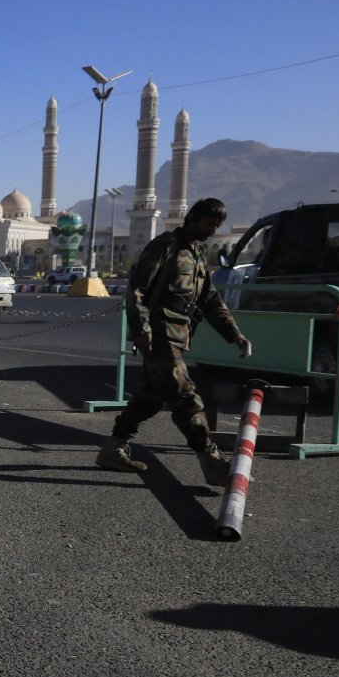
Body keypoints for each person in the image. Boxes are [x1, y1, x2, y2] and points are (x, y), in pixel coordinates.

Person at [96, 197, 252, 485]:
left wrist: (235, 335)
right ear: (192, 218)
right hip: (159, 336)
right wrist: (141, 330)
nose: (212, 231)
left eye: (217, 226)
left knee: (151, 397)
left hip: (178, 336)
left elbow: (210, 300)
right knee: (185, 396)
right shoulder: (164, 247)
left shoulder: (196, 255)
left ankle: (113, 449)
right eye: (208, 224)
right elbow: (137, 291)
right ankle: (211, 460)